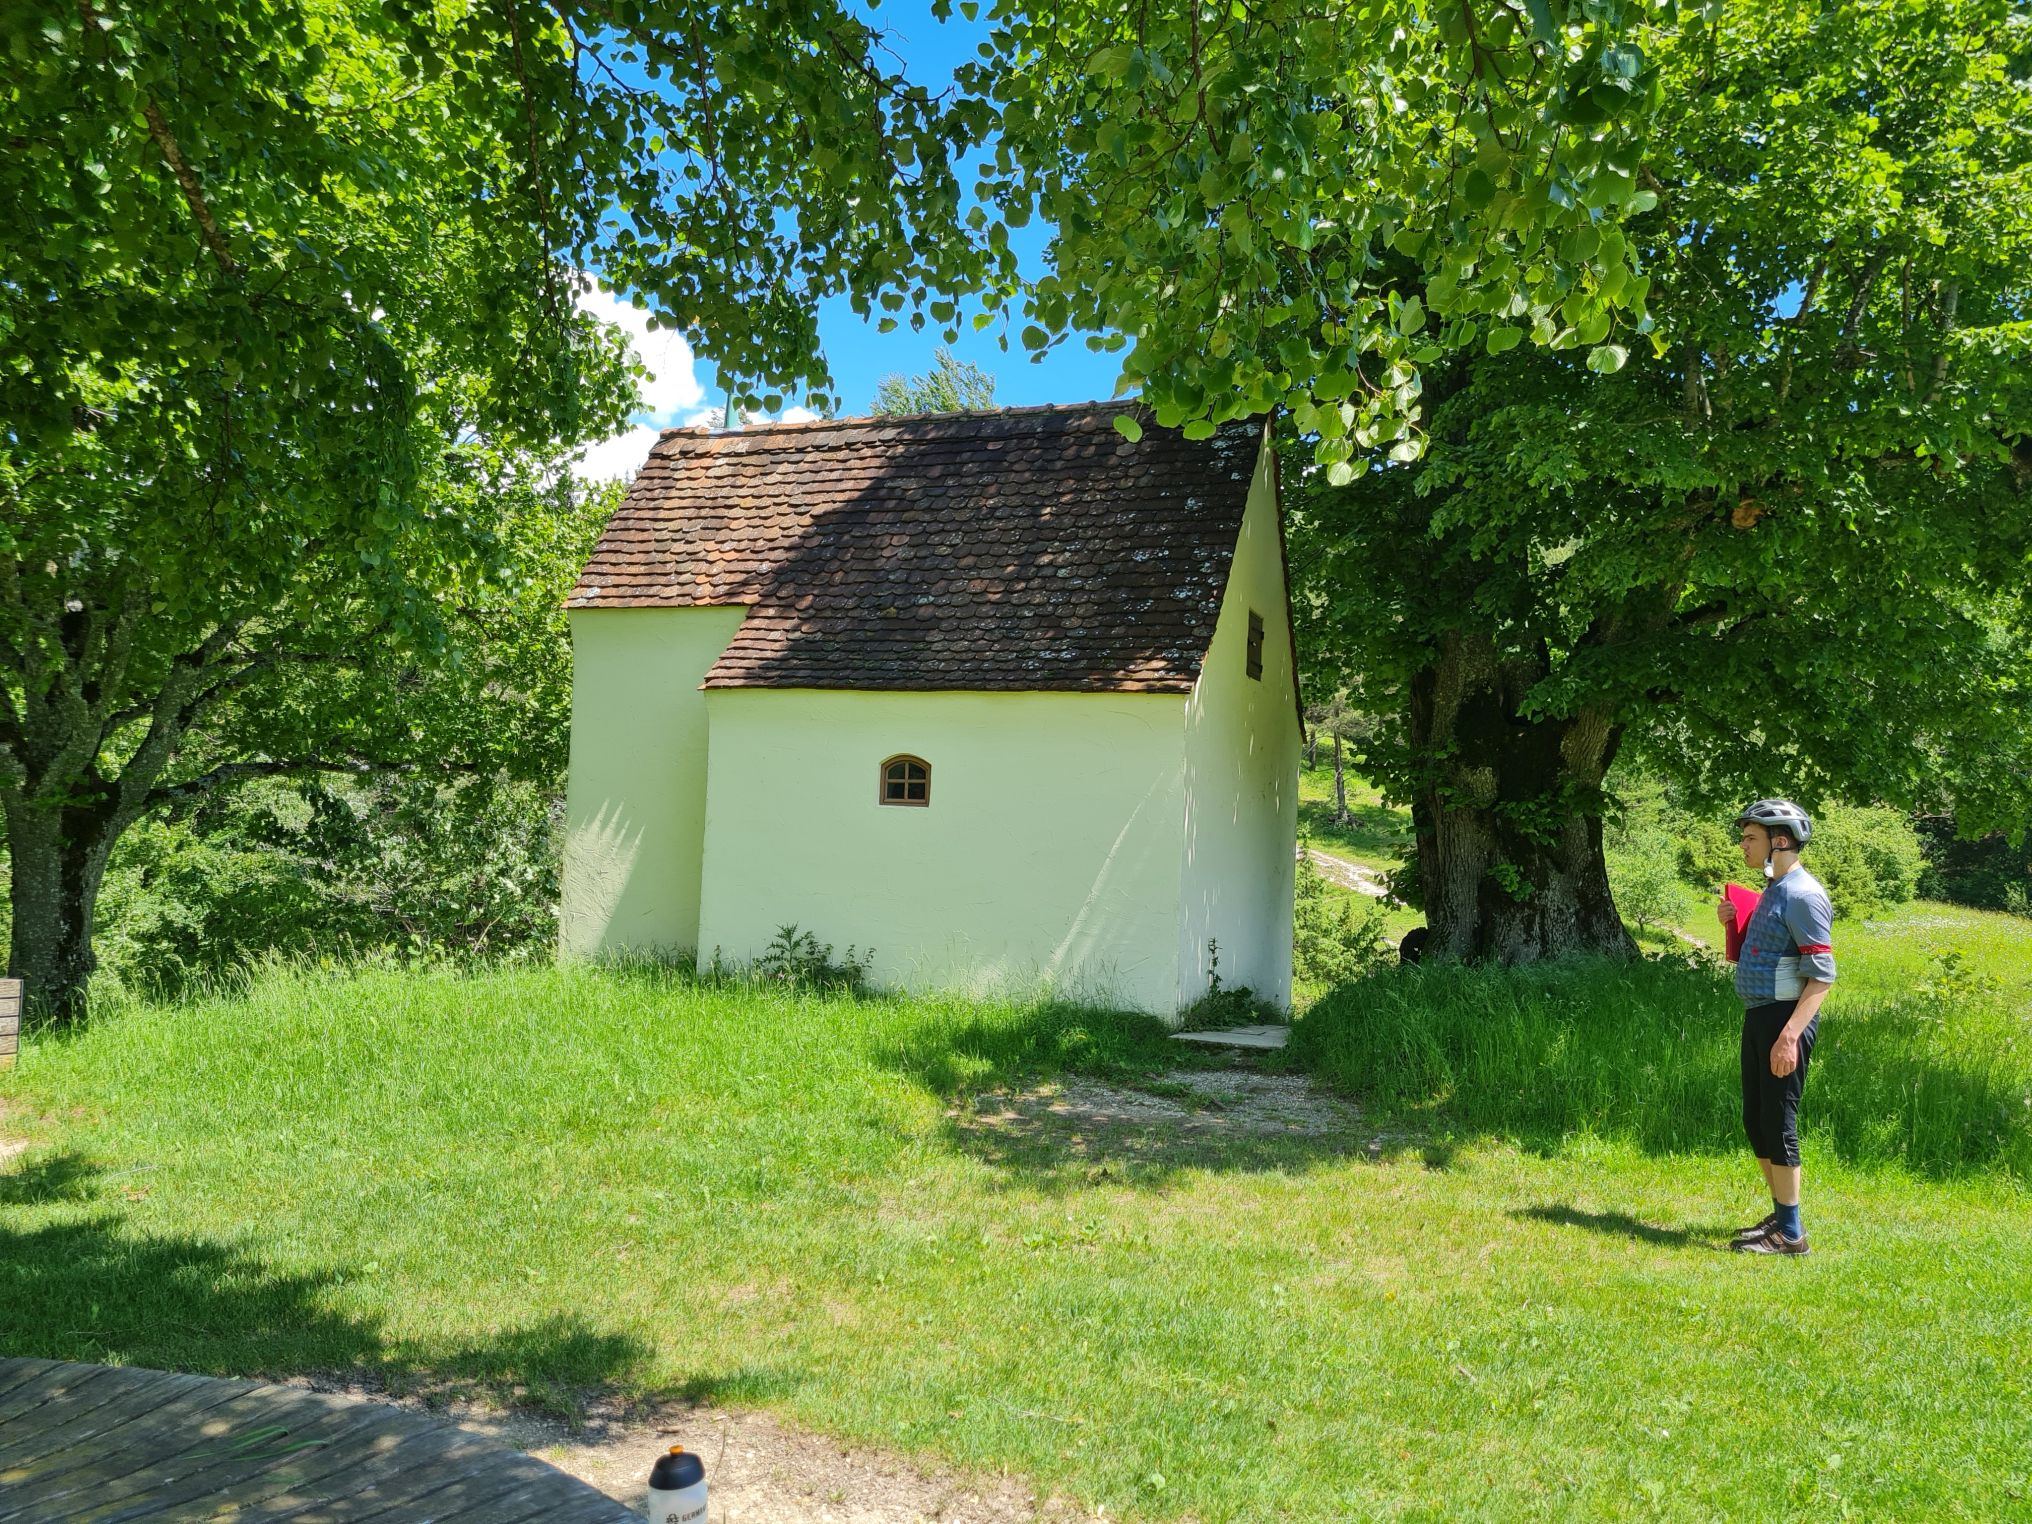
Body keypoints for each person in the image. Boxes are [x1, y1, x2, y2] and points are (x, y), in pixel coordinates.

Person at [1716, 799, 1835, 1256]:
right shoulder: (1774, 888)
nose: (1743, 844)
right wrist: (1736, 926)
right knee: (1756, 1119)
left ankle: (1791, 1233)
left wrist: (1789, 1036)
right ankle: (1781, 1215)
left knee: (1779, 1123)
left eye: (1751, 837)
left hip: (1786, 1019)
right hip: (1760, 1013)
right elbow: (1770, 950)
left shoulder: (1804, 895)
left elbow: (1822, 976)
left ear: (1779, 841)